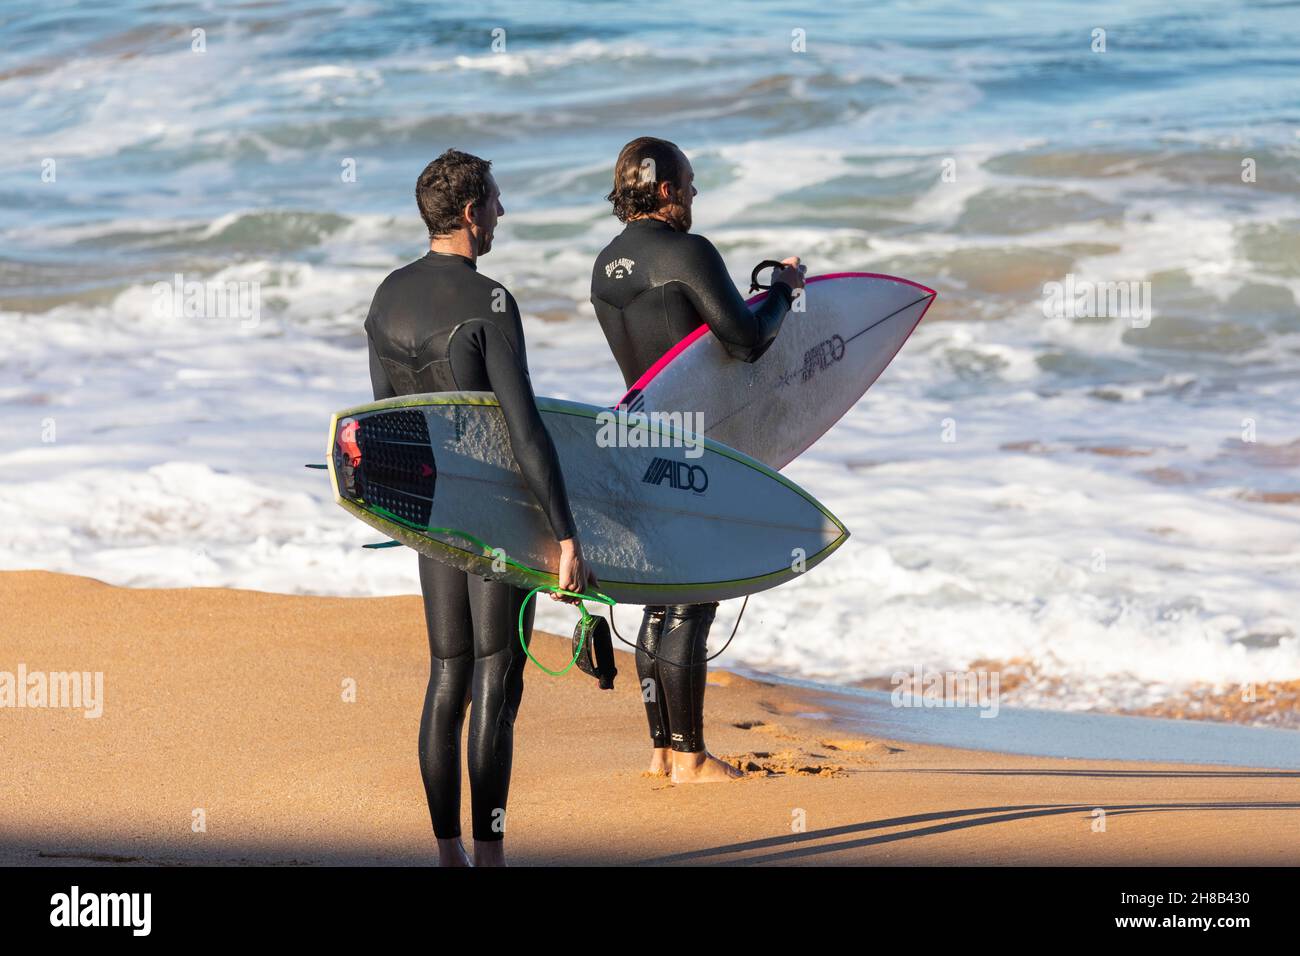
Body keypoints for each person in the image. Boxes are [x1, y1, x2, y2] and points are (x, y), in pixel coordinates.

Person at [365, 149, 596, 865]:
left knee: (448, 673)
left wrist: (407, 512)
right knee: (498, 671)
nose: (502, 212)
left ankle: (450, 857)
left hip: (428, 508)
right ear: (470, 214)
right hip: (495, 511)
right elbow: (523, 429)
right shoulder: (489, 301)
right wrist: (566, 535)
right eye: (495, 201)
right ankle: (491, 857)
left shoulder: (386, 297)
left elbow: (384, 421)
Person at [589, 136, 805, 783]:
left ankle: (663, 751)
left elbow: (675, 348)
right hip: (698, 446)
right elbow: (743, 340)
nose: (693, 194)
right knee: (691, 600)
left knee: (663, 599)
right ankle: (689, 757)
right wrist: (782, 291)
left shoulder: (605, 265)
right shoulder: (686, 251)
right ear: (663, 191)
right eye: (687, 184)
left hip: (640, 443)